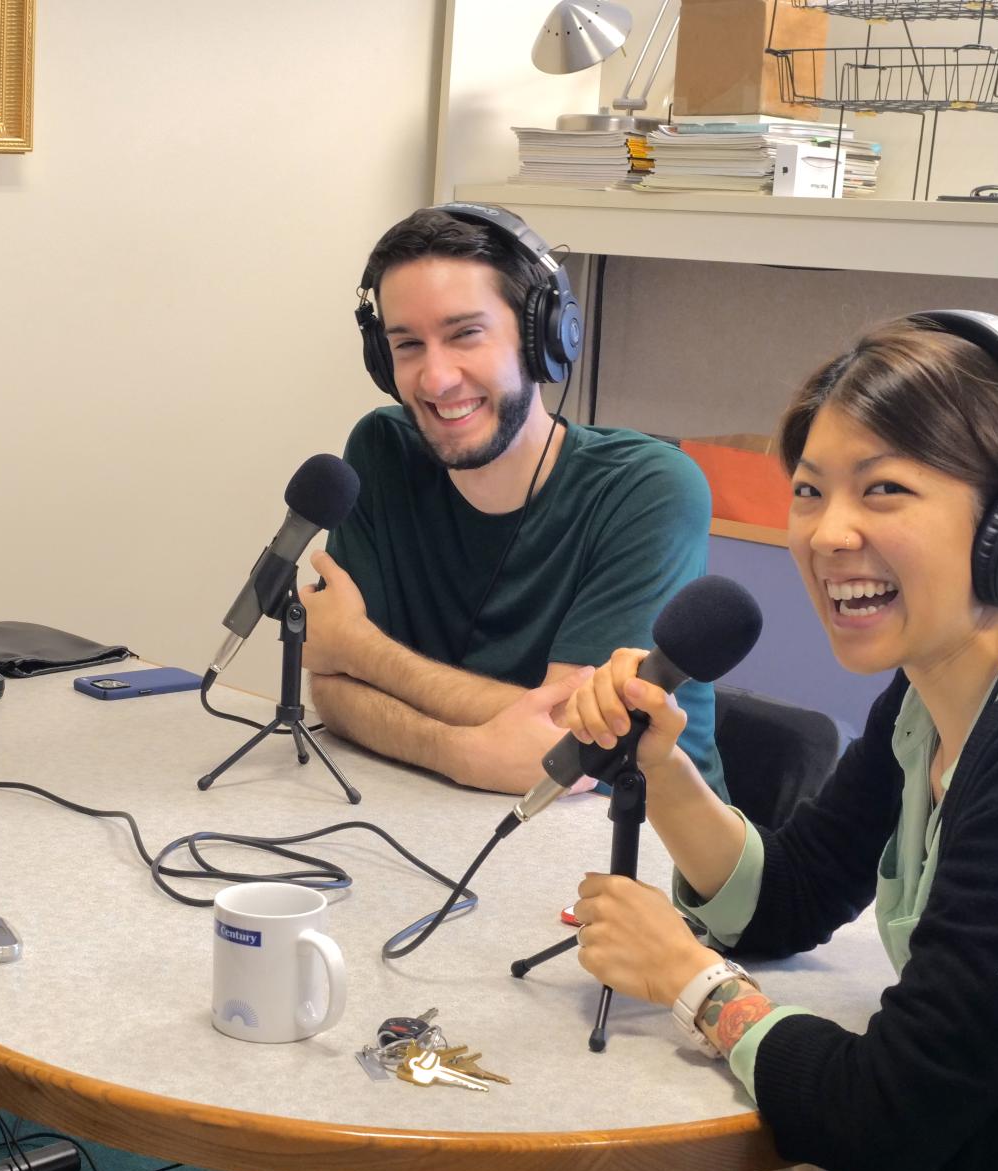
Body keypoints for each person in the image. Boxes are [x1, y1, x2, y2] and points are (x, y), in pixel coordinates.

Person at [560, 312, 998, 1171]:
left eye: (881, 489)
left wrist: (687, 980)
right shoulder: (931, 693)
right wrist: (659, 767)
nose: (825, 533)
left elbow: (886, 1115)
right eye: (808, 492)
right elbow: (792, 896)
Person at [302, 203, 726, 799]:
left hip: (632, 842)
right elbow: (330, 688)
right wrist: (459, 752)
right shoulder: (382, 450)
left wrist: (360, 648)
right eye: (407, 345)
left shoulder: (649, 489)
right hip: (434, 809)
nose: (436, 379)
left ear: (541, 336)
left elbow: (574, 741)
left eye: (465, 334)